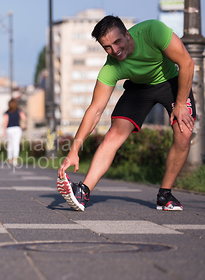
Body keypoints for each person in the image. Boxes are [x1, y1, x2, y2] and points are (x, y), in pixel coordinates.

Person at [57, 15, 195, 212]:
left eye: (117, 42)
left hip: (171, 82)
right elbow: (95, 110)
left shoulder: (153, 31)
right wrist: (74, 150)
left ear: (127, 34)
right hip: (139, 89)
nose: (115, 50)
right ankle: (83, 191)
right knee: (114, 134)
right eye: (107, 47)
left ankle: (165, 194)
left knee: (184, 133)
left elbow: (187, 63)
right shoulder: (111, 67)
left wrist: (181, 103)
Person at [3, 99, 27, 166]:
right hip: (17, 128)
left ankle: (9, 159)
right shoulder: (19, 111)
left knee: (10, 144)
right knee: (16, 144)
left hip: (9, 129)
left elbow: (5, 122)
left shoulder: (7, 112)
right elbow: (24, 118)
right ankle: (15, 160)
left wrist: (4, 131)